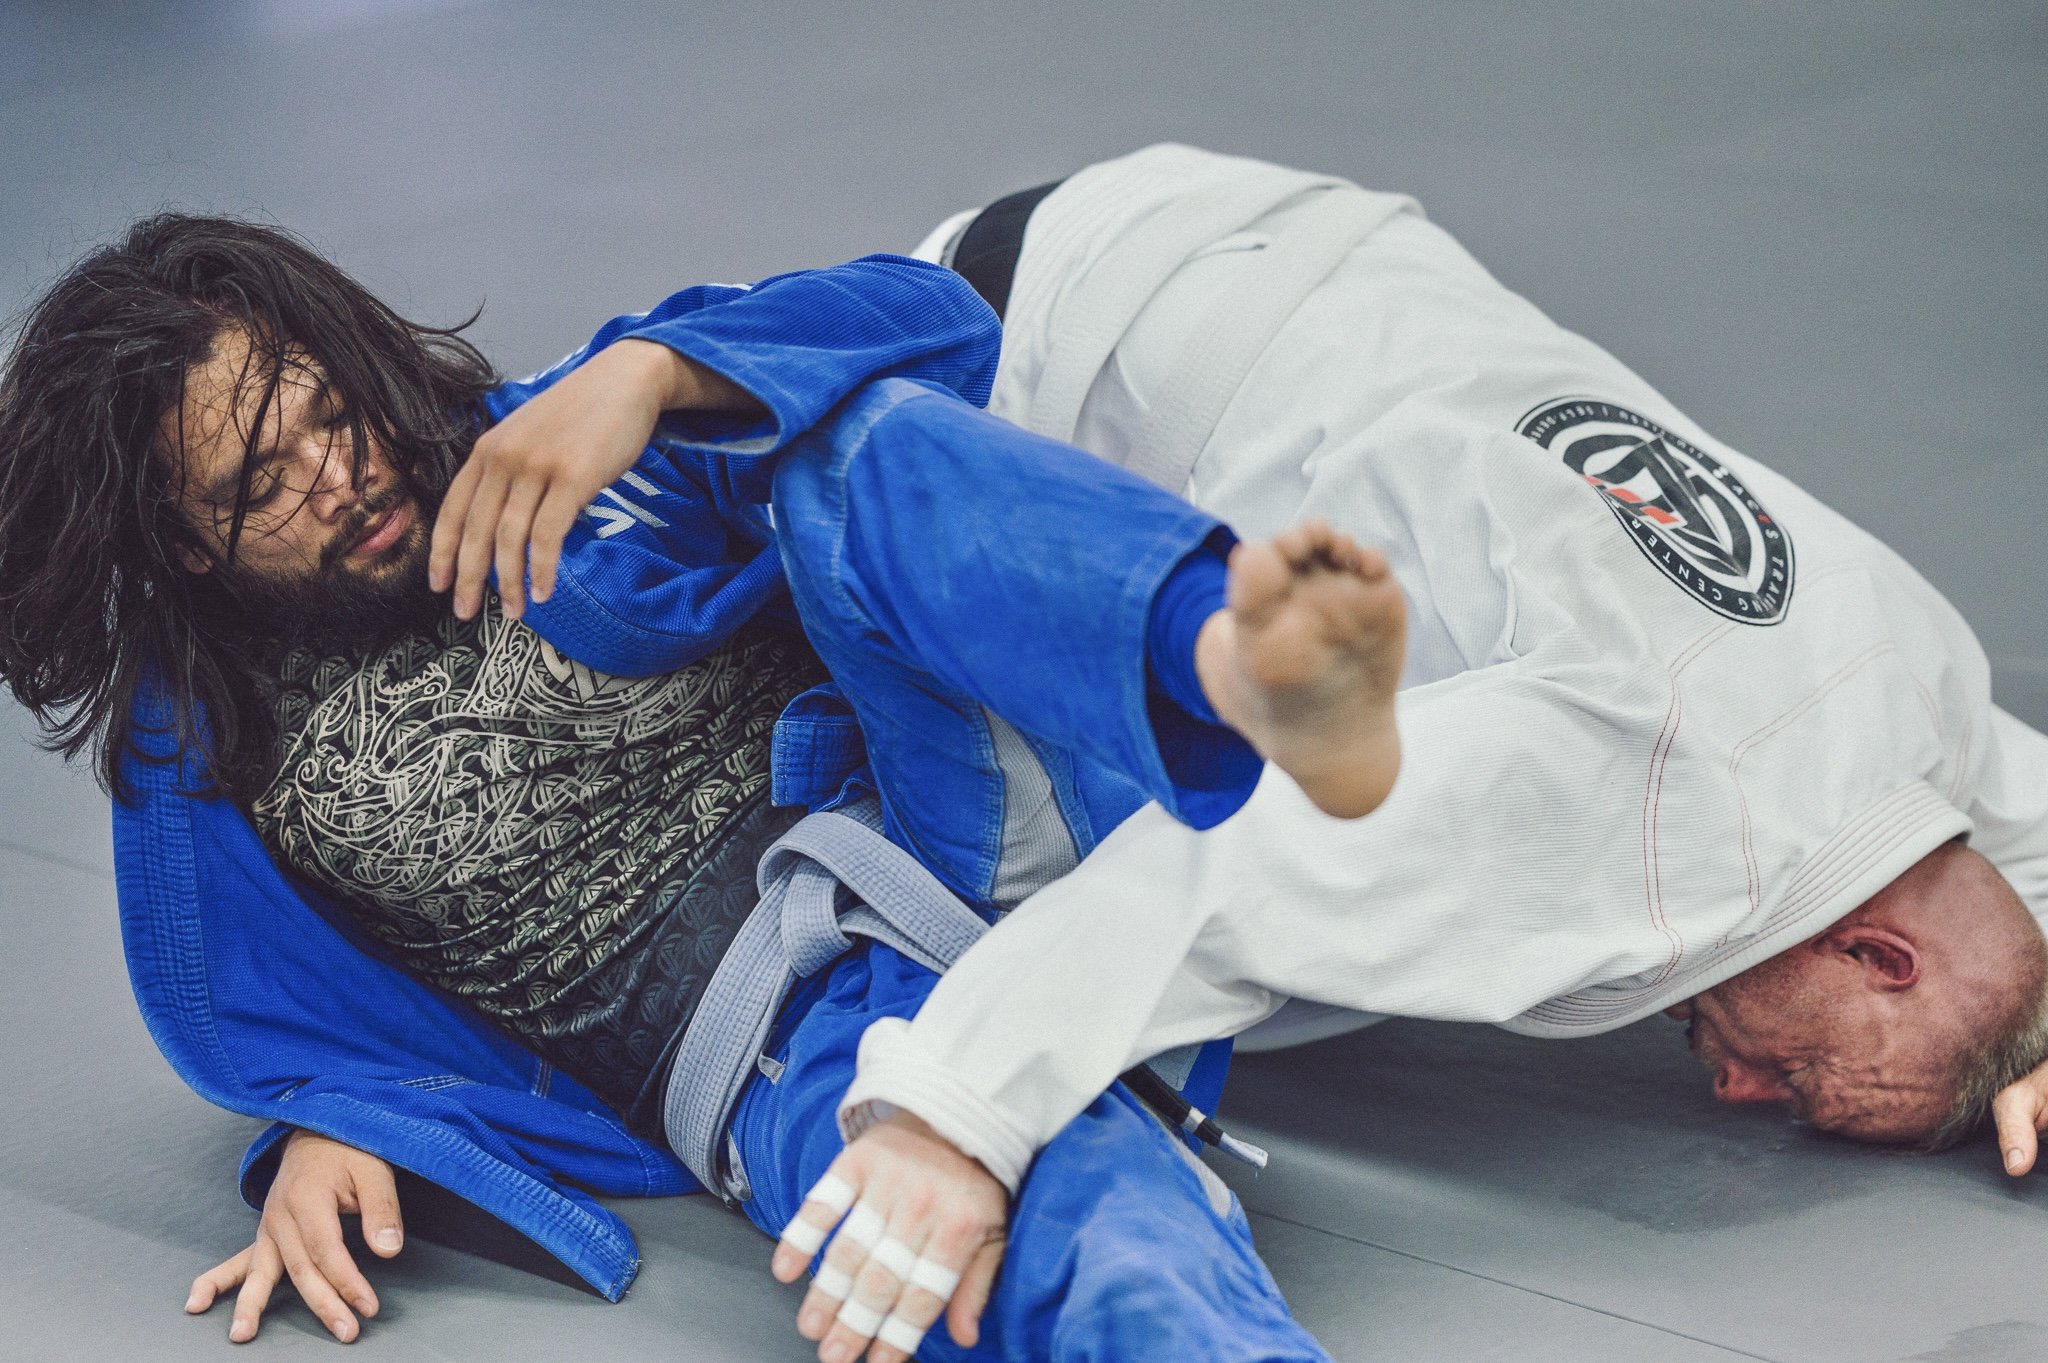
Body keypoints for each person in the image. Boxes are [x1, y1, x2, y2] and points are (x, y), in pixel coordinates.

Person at [0, 213, 1409, 1361]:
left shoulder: (548, 444)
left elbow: (933, 316)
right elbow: (290, 1017)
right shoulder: (218, 765)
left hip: (958, 813)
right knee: (1086, 1243)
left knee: (847, 449)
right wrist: (336, 1126)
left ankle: (1231, 657)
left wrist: (656, 373)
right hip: (781, 1056)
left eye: (333, 412)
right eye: (261, 482)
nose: (341, 473)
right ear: (182, 544)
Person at [729, 144, 2048, 1346]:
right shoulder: (1644, 805)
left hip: (1298, 240)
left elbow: (2020, 842)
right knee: (1074, 858)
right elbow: (1229, 874)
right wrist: (957, 1116)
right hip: (1015, 341)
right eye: (1803, 1077)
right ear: (1879, 953)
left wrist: (2027, 1029)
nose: (1742, 1094)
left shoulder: (1916, 673)